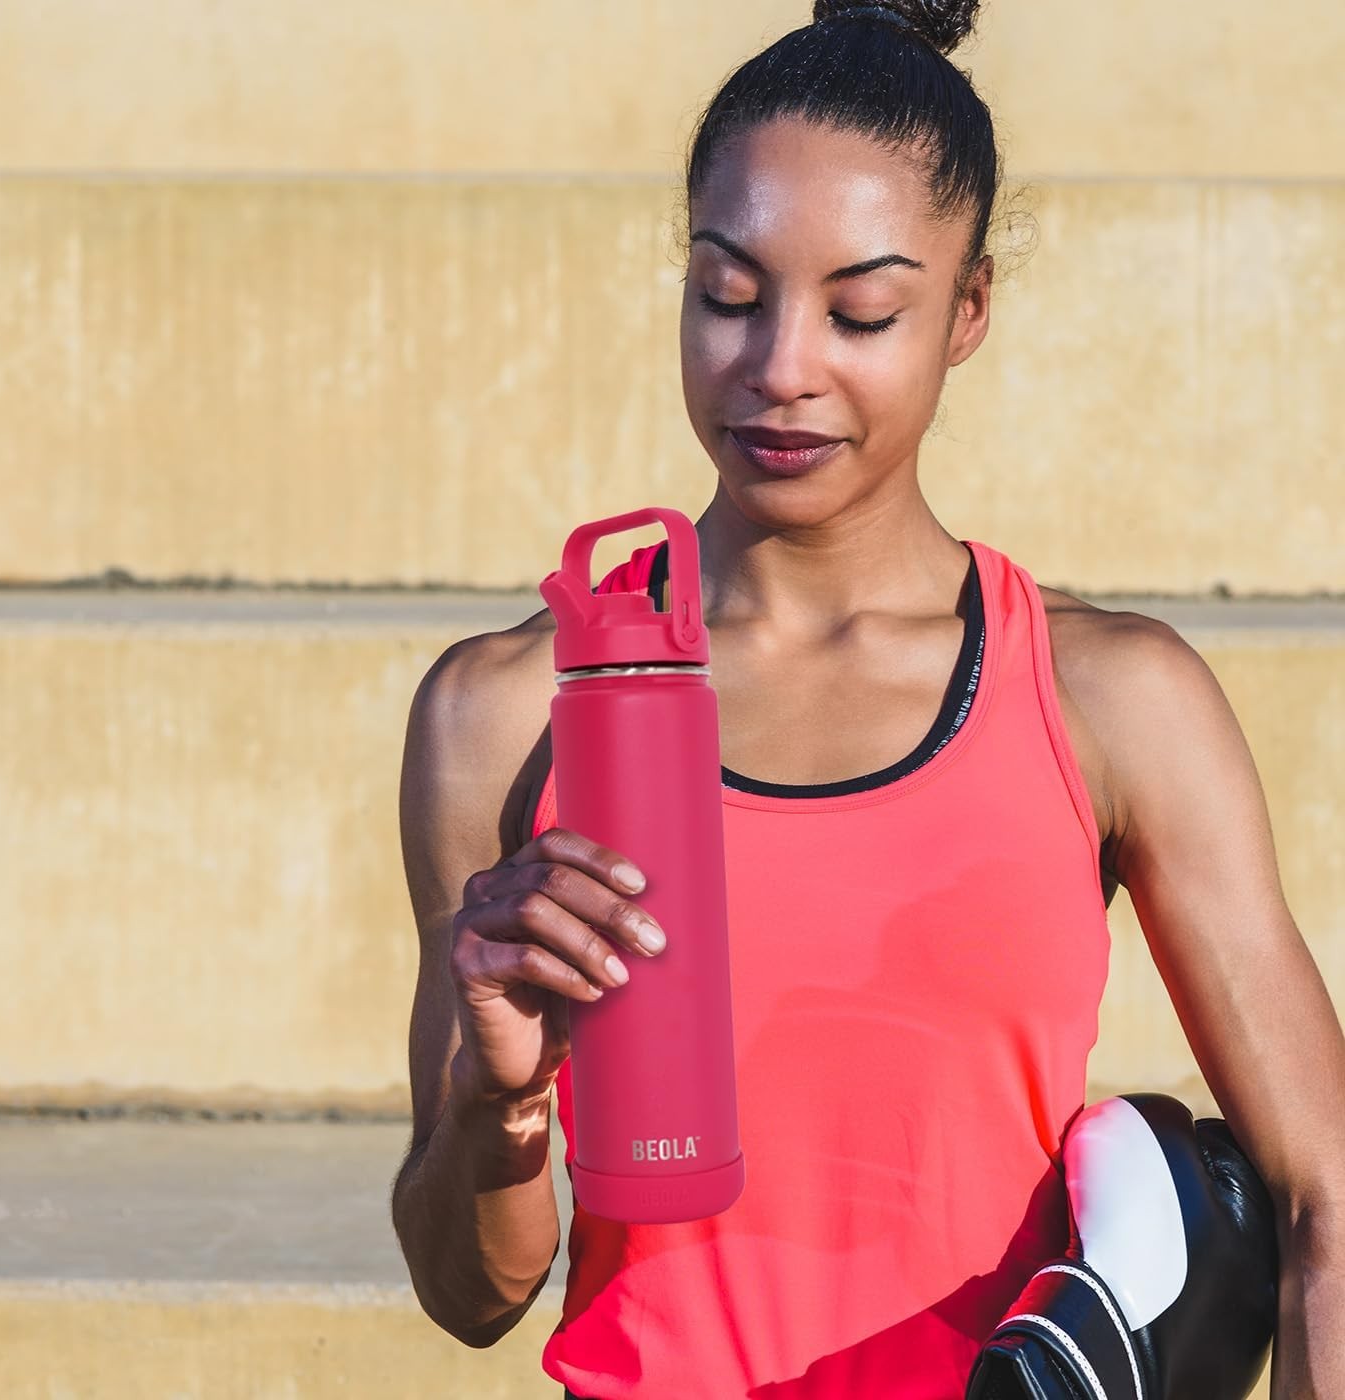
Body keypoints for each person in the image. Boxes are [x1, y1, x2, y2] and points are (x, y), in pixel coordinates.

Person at [390, 2, 1345, 1395]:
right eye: (727, 294)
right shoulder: (506, 712)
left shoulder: (1107, 699)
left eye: (862, 311)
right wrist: (497, 1097)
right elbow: (467, 1292)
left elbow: (1324, 1200)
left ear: (966, 314)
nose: (781, 366)